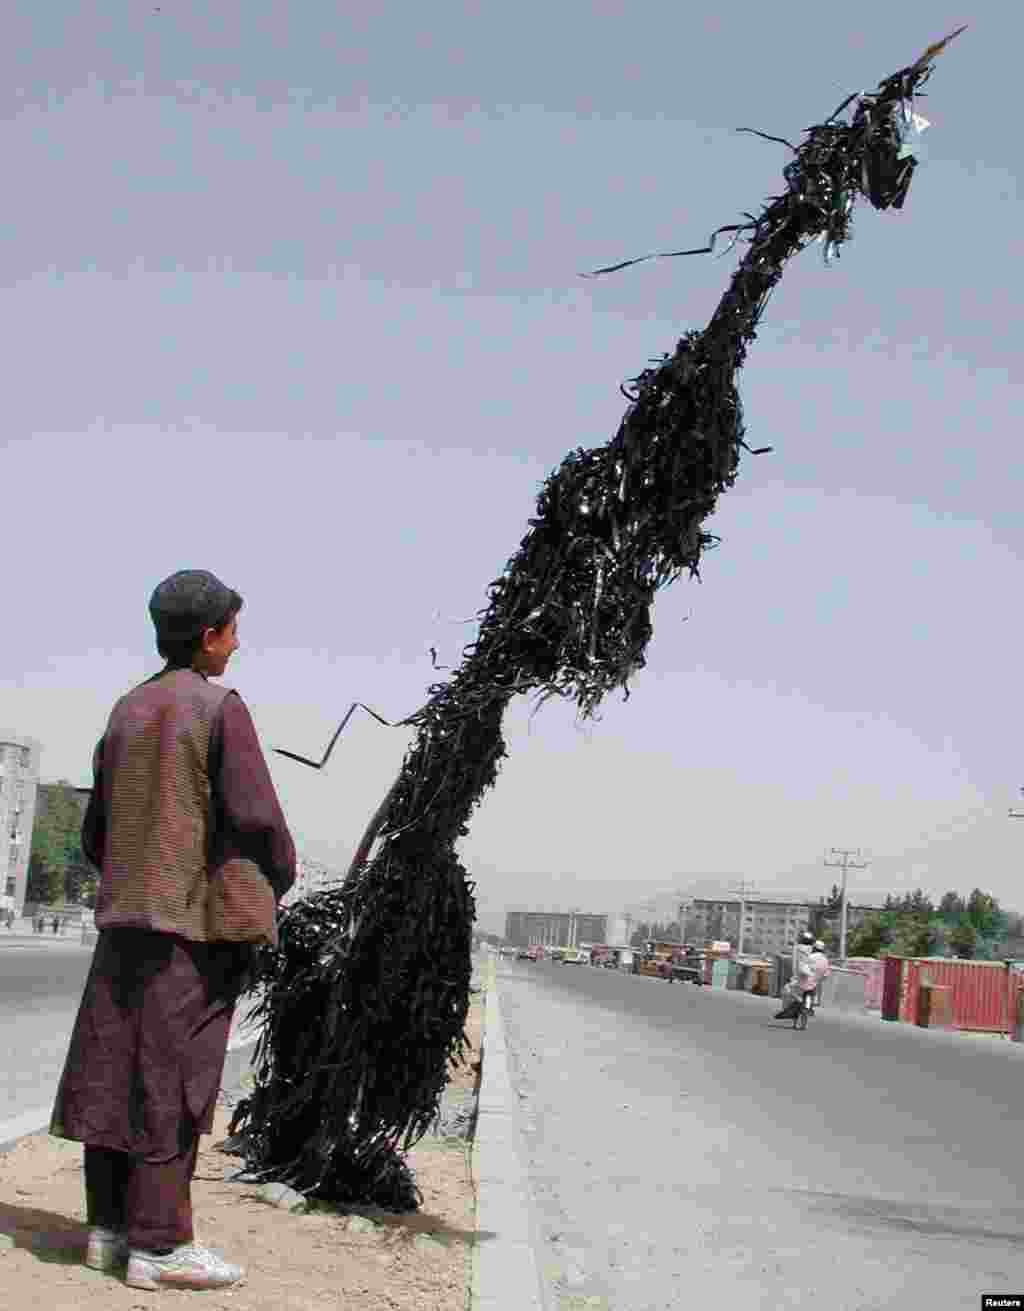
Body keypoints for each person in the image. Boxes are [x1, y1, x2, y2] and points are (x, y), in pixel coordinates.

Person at [50, 569, 296, 1293]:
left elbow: (98, 832)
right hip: (189, 932)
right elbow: (259, 822)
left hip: (122, 923)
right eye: (232, 629)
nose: (238, 642)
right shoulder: (220, 710)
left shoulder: (126, 708)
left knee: (111, 1071)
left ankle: (107, 1231)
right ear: (208, 636)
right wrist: (276, 879)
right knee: (174, 1079)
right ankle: (160, 1244)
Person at [807, 939, 831, 1010]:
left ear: (814, 948)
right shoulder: (825, 959)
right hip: (818, 979)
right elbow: (826, 973)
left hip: (809, 978)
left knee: (807, 992)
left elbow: (805, 967)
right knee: (812, 993)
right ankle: (810, 1008)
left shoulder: (811, 956)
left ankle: (807, 1008)